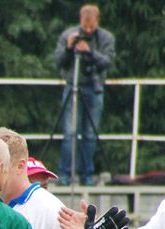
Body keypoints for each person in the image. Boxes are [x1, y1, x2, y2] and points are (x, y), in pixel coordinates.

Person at [53, 4, 115, 187]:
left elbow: (107, 61)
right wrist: (69, 47)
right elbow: (58, 61)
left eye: (91, 27)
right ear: (80, 21)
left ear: (97, 21)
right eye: (85, 27)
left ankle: (86, 175)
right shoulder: (68, 35)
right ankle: (64, 174)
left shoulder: (106, 37)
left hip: (94, 89)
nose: (87, 31)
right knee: (70, 132)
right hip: (72, 87)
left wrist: (89, 51)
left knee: (89, 134)